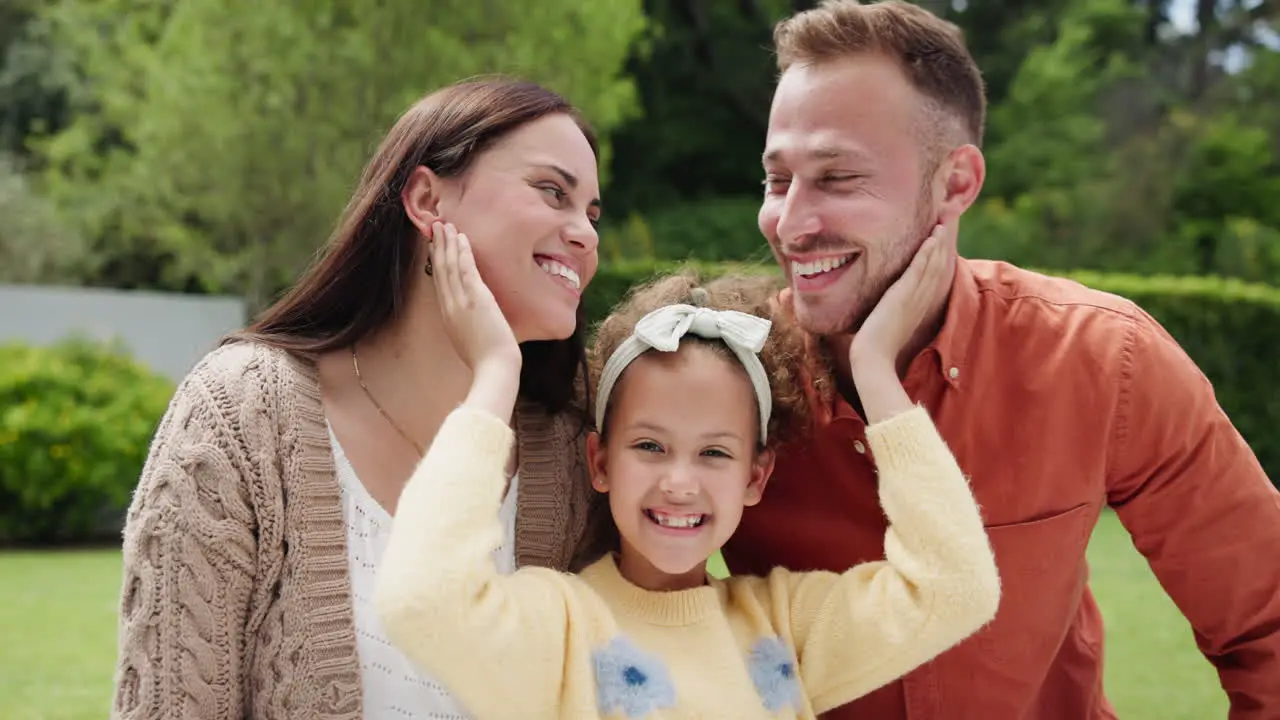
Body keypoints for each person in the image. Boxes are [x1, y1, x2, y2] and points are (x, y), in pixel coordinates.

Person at [723, 1, 1280, 718]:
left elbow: (1266, 627)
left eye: (836, 178)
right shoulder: (725, 380)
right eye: (776, 181)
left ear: (955, 184)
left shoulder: (1105, 360)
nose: (791, 222)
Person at [111, 77, 612, 720]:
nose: (586, 235)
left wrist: (497, 371)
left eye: (592, 215)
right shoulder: (239, 413)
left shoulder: (576, 446)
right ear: (428, 199)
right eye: (552, 191)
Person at [371, 219, 1001, 719]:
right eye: (649, 446)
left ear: (756, 477)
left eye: (715, 453)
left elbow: (955, 588)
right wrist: (494, 375)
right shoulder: (563, 632)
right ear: (600, 462)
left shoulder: (782, 627)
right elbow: (421, 601)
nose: (679, 481)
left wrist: (874, 370)